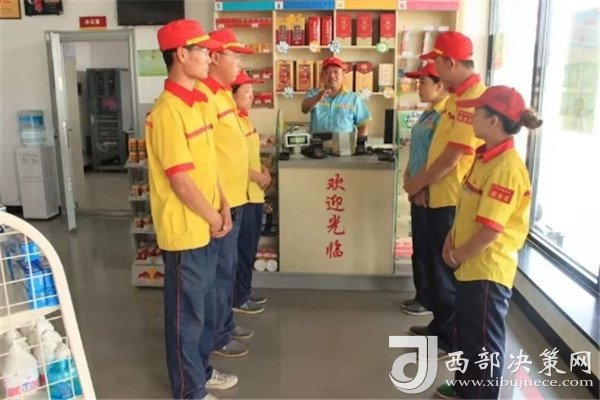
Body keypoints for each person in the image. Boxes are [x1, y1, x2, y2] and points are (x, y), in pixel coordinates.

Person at [146, 19, 237, 399]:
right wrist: (214, 216)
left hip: (208, 224)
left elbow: (208, 166)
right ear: (181, 55)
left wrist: (224, 205)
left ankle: (202, 371)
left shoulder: (197, 102)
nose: (209, 57)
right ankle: (188, 391)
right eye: (202, 50)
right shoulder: (167, 112)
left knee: (207, 308)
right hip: (186, 230)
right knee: (188, 316)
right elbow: (181, 180)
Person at [435, 86, 542, 399]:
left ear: (493, 120)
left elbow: (490, 231)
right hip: (470, 264)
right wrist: (451, 238)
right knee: (467, 334)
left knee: (483, 343)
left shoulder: (506, 168)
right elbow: (469, 209)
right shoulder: (484, 157)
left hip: (487, 269)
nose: (471, 116)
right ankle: (464, 387)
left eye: (477, 111)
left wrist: (456, 255)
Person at [404, 31, 486, 357]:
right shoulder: (455, 98)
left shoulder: (472, 100)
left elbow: (452, 157)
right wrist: (421, 184)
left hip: (451, 199)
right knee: (434, 266)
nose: (434, 70)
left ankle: (450, 338)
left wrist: (418, 184)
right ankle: (440, 326)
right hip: (436, 195)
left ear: (450, 62)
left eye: (436, 63)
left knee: (445, 271)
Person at [195, 28, 262, 359]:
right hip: (221, 203)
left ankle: (224, 324)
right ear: (215, 57)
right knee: (219, 274)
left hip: (235, 200)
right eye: (234, 56)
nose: (239, 63)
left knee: (228, 270)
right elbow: (206, 156)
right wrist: (220, 203)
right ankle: (217, 336)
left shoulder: (223, 96)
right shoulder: (205, 96)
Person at [401, 62, 449, 316]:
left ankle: (432, 303)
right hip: (417, 188)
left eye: (423, 82)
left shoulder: (445, 116)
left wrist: (421, 188)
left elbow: (439, 159)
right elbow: (420, 150)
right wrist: (409, 174)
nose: (418, 87)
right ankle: (423, 296)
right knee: (420, 246)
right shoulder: (429, 112)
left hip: (430, 193)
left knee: (431, 250)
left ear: (440, 85)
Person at [230, 70, 272, 318]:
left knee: (249, 248)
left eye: (252, 91)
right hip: (242, 196)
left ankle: (244, 291)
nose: (252, 95)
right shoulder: (230, 122)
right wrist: (258, 176)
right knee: (242, 251)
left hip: (254, 194)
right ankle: (238, 298)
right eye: (246, 91)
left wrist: (263, 169)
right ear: (232, 95)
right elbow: (231, 162)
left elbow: (249, 155)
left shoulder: (244, 119)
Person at [301, 56, 371, 150]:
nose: (332, 76)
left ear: (343, 75)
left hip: (345, 147)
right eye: (327, 72)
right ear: (322, 76)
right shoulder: (313, 93)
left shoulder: (353, 98)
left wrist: (361, 145)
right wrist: (317, 98)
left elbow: (363, 123)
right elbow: (304, 109)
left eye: (336, 72)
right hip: (318, 147)